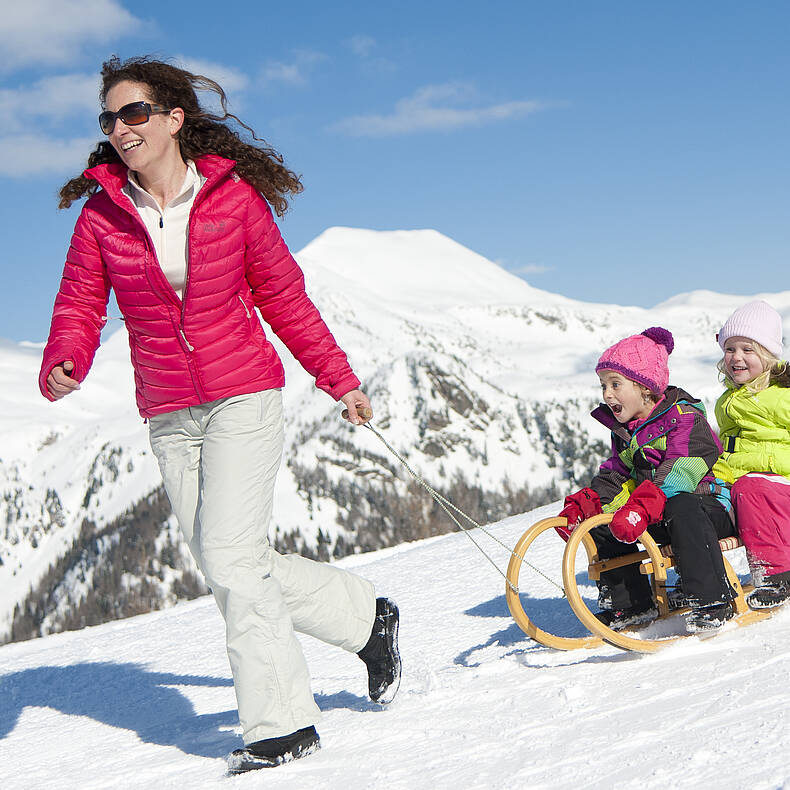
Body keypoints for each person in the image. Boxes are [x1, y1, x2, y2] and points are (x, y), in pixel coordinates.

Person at [38, 55, 401, 773]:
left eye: (135, 113)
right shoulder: (104, 213)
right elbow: (80, 299)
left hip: (244, 395)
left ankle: (282, 727)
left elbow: (285, 299)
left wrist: (340, 381)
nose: (121, 128)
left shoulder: (233, 201)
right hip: (169, 408)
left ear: (174, 118)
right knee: (227, 561)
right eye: (109, 118)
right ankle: (367, 618)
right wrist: (65, 356)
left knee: (232, 558)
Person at [556, 327, 736, 632]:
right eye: (603, 386)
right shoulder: (627, 432)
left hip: (708, 509)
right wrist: (589, 503)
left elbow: (682, 471)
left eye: (615, 384)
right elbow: (617, 475)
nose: (607, 394)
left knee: (680, 504)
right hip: (655, 513)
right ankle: (631, 604)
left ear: (646, 388)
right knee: (602, 521)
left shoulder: (685, 418)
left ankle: (711, 599)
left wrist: (643, 505)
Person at [714, 300, 790, 609]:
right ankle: (704, 579)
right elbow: (729, 446)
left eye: (748, 349)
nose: (737, 357)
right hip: (743, 479)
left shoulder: (779, 397)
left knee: (750, 489)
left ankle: (775, 574)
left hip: (777, 481)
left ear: (768, 355)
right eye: (730, 349)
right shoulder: (726, 401)